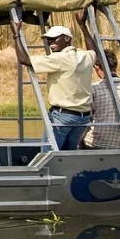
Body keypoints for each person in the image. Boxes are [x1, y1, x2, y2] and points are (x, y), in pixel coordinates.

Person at [12, 19, 100, 150]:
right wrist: (82, 25)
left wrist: (16, 34)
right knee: (68, 155)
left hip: (62, 116)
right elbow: (94, 52)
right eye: (48, 40)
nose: (50, 42)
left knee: (49, 154)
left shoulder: (60, 58)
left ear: (66, 39)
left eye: (54, 39)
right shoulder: (85, 57)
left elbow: (24, 60)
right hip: (82, 118)